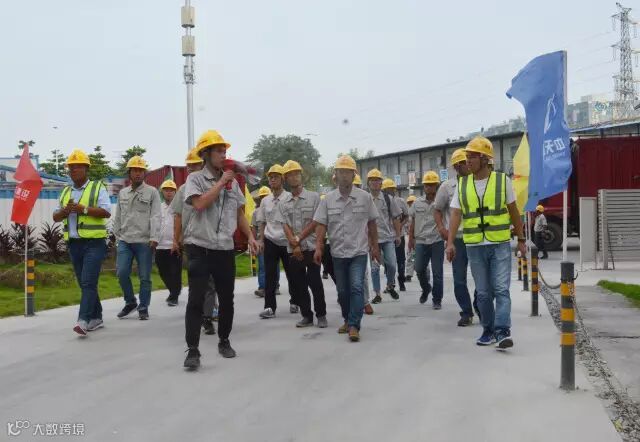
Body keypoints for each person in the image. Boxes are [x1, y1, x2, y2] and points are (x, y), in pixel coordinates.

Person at [182, 129, 259, 370]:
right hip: (200, 247)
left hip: (224, 249)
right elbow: (200, 204)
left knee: (227, 299)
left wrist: (250, 236)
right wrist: (222, 182)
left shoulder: (232, 183)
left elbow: (239, 213)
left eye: (224, 151)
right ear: (206, 154)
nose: (223, 154)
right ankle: (193, 350)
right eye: (218, 151)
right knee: (196, 300)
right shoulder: (195, 179)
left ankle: (224, 341)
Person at [446, 136, 527, 350]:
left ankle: (502, 331)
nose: (468, 161)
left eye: (472, 157)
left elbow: (513, 211)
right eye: (467, 157)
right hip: (474, 246)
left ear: (484, 158)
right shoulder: (463, 185)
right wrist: (450, 243)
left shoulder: (502, 181)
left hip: (499, 243)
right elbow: (455, 214)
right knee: (482, 292)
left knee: (501, 289)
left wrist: (521, 239)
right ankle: (488, 330)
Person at [313, 155, 381, 342]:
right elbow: (321, 225)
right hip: (337, 253)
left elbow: (372, 223)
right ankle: (347, 319)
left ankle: (354, 325)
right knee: (343, 291)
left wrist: (375, 247)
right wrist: (318, 247)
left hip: (359, 252)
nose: (344, 175)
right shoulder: (328, 199)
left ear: (354, 175)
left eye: (347, 172)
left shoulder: (365, 198)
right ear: (335, 175)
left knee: (357, 287)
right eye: (340, 172)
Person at [53, 149, 111, 336]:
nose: (74, 170)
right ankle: (97, 317)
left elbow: (106, 212)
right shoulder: (65, 191)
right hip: (74, 244)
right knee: (85, 283)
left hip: (94, 243)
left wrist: (83, 209)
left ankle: (83, 320)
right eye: (71, 167)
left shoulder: (97, 187)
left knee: (87, 282)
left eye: (78, 166)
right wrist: (65, 211)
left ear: (86, 169)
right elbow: (55, 216)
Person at [170, 148, 217, 334]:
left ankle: (207, 317)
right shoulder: (182, 190)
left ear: (203, 165)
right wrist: (175, 240)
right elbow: (178, 216)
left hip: (212, 240)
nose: (190, 169)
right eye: (188, 166)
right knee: (197, 280)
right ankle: (199, 314)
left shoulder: (212, 187)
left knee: (211, 281)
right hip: (191, 242)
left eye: (194, 165)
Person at [278, 160, 327, 328]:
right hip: (294, 249)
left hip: (312, 247)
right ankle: (306, 315)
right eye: (290, 175)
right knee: (299, 284)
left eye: (296, 174)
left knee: (315, 282)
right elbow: (285, 224)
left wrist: (301, 239)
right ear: (285, 179)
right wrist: (295, 245)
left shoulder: (314, 198)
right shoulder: (283, 202)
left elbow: (316, 222)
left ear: (301, 176)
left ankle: (321, 315)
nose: (294, 177)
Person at [113, 156, 162, 321]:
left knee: (145, 277)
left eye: (141, 170)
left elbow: (156, 216)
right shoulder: (123, 193)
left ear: (144, 173)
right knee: (121, 273)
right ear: (129, 173)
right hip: (125, 240)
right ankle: (130, 302)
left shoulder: (152, 192)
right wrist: (117, 236)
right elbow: (118, 215)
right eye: (135, 170)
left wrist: (154, 237)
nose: (138, 173)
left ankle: (143, 307)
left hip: (144, 241)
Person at [434, 148, 476, 326]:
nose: (465, 165)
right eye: (461, 163)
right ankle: (466, 312)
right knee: (459, 279)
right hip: (457, 239)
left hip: (477, 237)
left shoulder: (479, 183)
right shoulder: (447, 187)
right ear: (456, 167)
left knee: (481, 278)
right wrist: (442, 229)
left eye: (466, 162)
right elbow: (437, 209)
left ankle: (479, 305)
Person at [257, 164, 296, 319]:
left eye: (276, 177)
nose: (272, 180)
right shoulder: (265, 201)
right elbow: (262, 222)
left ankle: (295, 301)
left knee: (292, 273)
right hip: (270, 240)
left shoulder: (289, 198)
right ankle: (269, 307)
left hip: (287, 241)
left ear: (282, 179)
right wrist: (261, 240)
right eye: (270, 178)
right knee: (270, 275)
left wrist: (295, 240)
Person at [409, 171, 444, 309]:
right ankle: (426, 288)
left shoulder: (441, 202)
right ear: (423, 187)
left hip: (437, 241)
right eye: (426, 185)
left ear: (436, 186)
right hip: (421, 241)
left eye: (432, 185)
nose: (429, 187)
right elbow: (412, 222)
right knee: (418, 269)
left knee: (437, 272)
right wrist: (410, 239)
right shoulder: (417, 203)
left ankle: (437, 300)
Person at [366, 171, 402, 304]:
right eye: (372, 180)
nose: (375, 182)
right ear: (368, 183)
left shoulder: (388, 199)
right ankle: (377, 294)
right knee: (374, 268)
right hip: (372, 240)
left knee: (392, 264)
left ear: (381, 183)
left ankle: (390, 285)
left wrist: (398, 235)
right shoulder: (365, 199)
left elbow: (396, 217)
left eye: (377, 180)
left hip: (387, 238)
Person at [155, 179, 183, 307]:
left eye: (171, 190)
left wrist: (179, 240)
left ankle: (174, 296)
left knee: (175, 272)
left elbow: (183, 224)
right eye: (166, 190)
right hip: (160, 245)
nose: (169, 192)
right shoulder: (158, 207)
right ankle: (173, 291)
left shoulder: (179, 207)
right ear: (162, 192)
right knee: (162, 271)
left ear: (175, 192)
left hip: (174, 245)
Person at [251, 186, 280, 297]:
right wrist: (253, 242)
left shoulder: (275, 209)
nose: (263, 199)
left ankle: (275, 286)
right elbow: (254, 228)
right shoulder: (255, 212)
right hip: (260, 242)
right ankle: (263, 287)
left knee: (274, 265)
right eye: (262, 197)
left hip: (273, 240)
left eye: (265, 196)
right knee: (263, 266)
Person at [382, 179, 410, 292]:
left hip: (399, 235)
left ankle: (401, 281)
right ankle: (390, 283)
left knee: (400, 259)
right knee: (388, 261)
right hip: (387, 236)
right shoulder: (381, 201)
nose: (391, 191)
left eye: (392, 189)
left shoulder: (401, 201)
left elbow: (406, 216)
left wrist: (400, 226)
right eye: (388, 190)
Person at [354, 174, 374, 315]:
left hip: (361, 244)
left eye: (356, 186)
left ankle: (365, 301)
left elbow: (371, 224)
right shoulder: (336, 201)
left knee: (363, 275)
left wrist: (372, 243)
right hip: (342, 247)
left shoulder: (365, 201)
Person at [405, 195, 417, 282]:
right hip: (411, 237)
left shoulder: (419, 213)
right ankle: (409, 274)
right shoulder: (408, 215)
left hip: (420, 238)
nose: (411, 204)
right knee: (410, 256)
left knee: (422, 256)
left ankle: (424, 273)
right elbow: (407, 227)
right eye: (409, 203)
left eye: (412, 202)